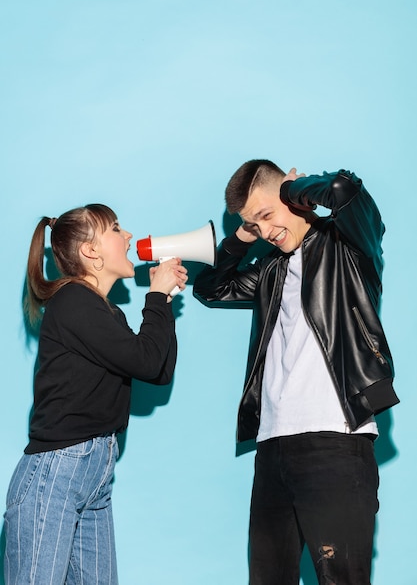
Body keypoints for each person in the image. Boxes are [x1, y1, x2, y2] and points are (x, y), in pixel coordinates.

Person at [193, 160, 399, 585]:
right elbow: (211, 288)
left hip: (335, 439)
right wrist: (240, 236)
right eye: (254, 224)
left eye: (266, 215)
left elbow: (345, 189)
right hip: (273, 446)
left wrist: (296, 188)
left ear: (291, 197)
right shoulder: (272, 268)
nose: (265, 231)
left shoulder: (349, 247)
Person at [3, 203, 188, 585]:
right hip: (55, 475)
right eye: (116, 229)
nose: (129, 237)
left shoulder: (107, 313)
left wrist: (163, 300)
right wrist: (154, 296)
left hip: (92, 476)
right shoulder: (73, 301)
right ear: (91, 252)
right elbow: (147, 361)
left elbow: (158, 369)